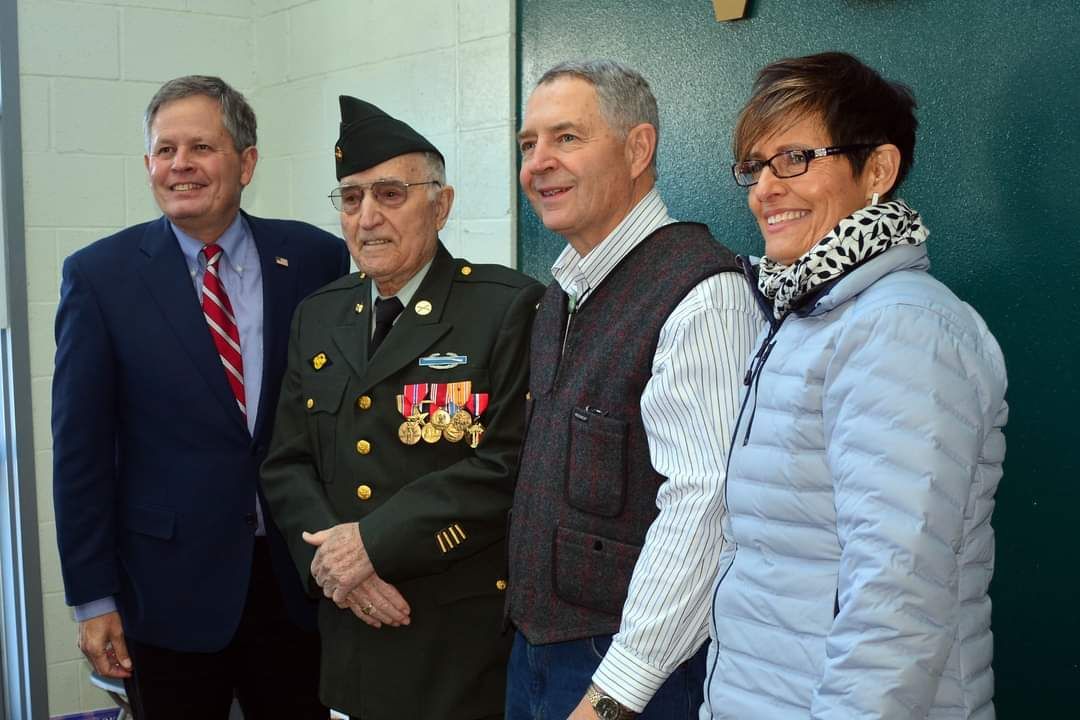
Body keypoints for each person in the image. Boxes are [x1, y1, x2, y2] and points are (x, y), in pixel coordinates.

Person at [701, 51, 1008, 719]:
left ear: (878, 170)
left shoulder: (901, 328)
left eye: (794, 158)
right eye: (755, 166)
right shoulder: (806, 315)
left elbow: (897, 598)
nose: (764, 188)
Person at [51, 76, 350, 718]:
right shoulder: (99, 277)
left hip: (297, 585)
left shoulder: (316, 258)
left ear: (247, 162)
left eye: (201, 148)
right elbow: (80, 453)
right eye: (165, 150)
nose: (180, 165)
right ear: (148, 165)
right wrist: (93, 600)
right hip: (165, 594)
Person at [259, 95, 544, 720]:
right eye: (351, 197)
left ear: (440, 205)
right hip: (351, 638)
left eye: (390, 194)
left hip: (456, 646)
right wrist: (336, 566)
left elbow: (508, 463)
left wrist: (372, 545)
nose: (367, 218)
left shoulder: (506, 307)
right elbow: (286, 463)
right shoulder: (320, 314)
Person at [506, 60, 763, 719]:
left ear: (638, 148)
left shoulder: (703, 294)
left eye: (566, 137)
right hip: (536, 654)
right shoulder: (563, 291)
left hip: (632, 674)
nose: (538, 163)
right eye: (528, 144)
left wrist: (614, 695)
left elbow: (705, 507)